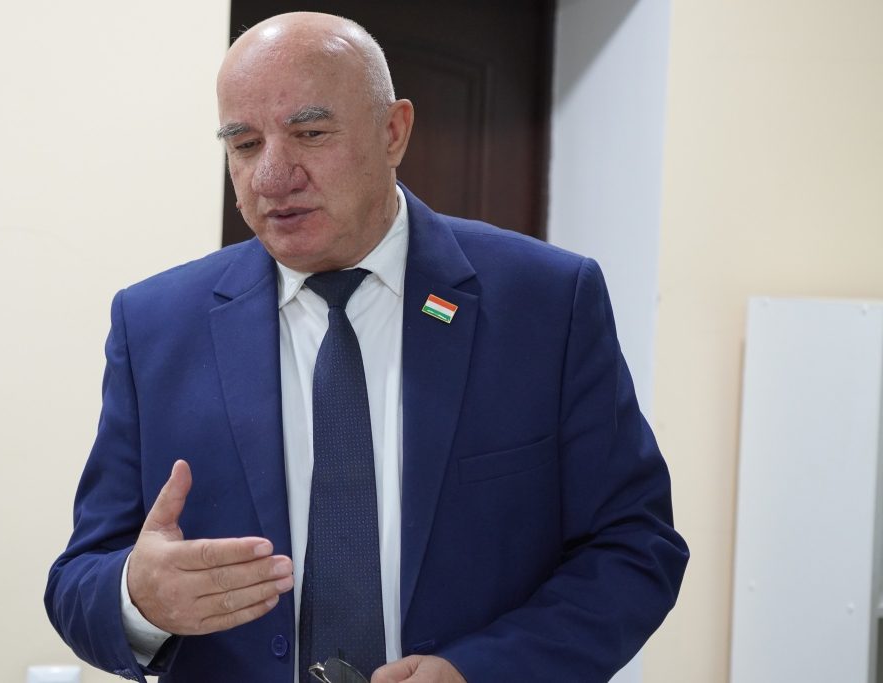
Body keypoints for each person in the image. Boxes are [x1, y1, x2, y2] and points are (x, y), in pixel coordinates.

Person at [45, 11, 688, 683]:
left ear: (393, 131)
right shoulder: (155, 324)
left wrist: (481, 671)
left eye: (310, 133)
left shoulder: (546, 302)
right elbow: (79, 579)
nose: (271, 177)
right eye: (244, 143)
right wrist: (138, 598)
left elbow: (634, 546)